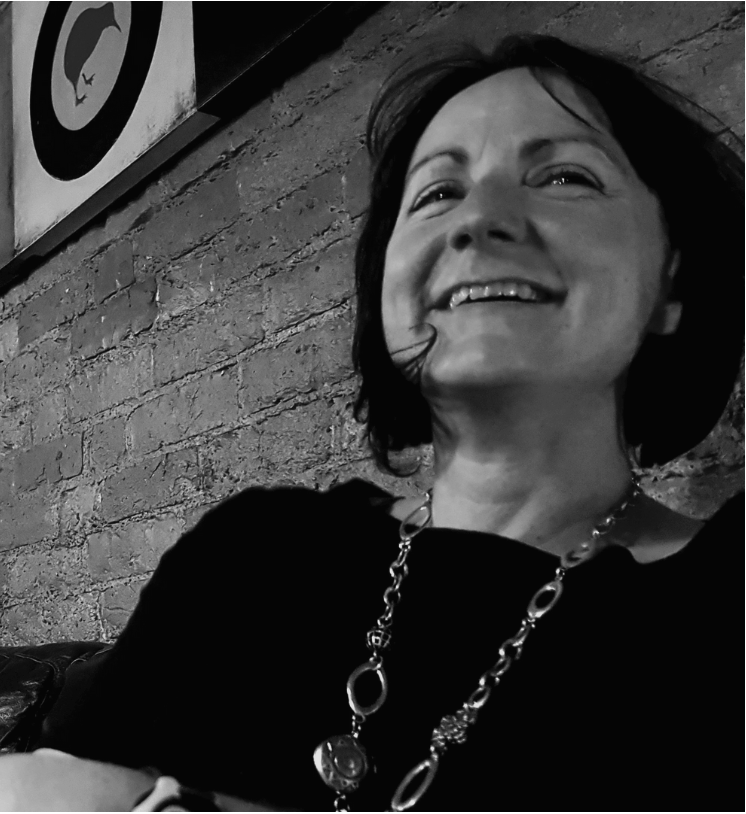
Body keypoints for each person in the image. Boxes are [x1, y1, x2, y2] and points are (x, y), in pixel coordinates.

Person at [0, 33, 743, 812]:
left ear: (672, 281)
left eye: (565, 177)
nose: (477, 221)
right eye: (437, 193)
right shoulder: (252, 557)